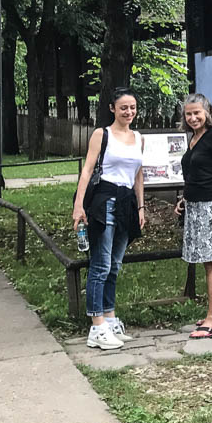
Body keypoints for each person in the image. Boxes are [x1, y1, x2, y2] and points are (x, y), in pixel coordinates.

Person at [71, 87, 145, 351]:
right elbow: (88, 169)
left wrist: (141, 207)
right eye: (124, 107)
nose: (129, 112)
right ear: (112, 108)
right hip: (104, 200)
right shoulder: (101, 134)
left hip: (127, 202)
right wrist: (79, 206)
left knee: (114, 265)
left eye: (133, 107)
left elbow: (138, 174)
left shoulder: (138, 137)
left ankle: (110, 316)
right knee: (100, 265)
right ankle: (97, 325)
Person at [174, 94, 212, 338]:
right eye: (188, 114)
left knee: (211, 261)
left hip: (211, 205)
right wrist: (185, 200)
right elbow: (197, 175)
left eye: (197, 112)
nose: (193, 117)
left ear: (207, 112)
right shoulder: (195, 138)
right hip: (196, 204)